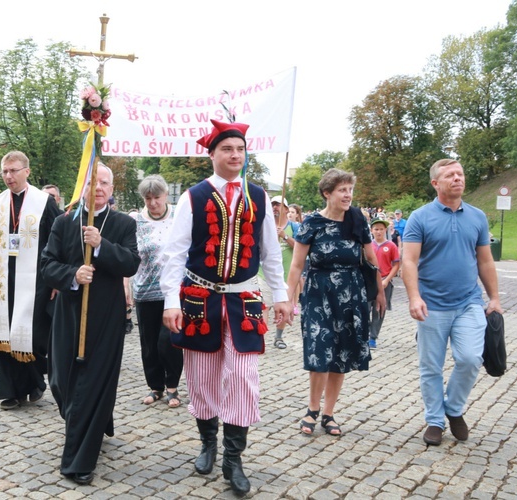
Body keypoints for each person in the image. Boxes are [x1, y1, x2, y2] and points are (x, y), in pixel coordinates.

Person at [161, 119, 291, 496]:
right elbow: (175, 254)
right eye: (227, 149)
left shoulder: (259, 197)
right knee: (201, 380)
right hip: (199, 300)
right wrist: (171, 302)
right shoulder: (193, 197)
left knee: (244, 379)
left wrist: (280, 294)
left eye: (240, 149)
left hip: (244, 300)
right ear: (212, 155)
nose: (235, 155)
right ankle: (207, 443)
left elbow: (270, 253)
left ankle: (233, 459)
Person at [41, 164, 140, 485]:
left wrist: (100, 245)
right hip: (68, 313)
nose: (98, 187)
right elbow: (46, 265)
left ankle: (79, 461)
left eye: (105, 182)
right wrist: (72, 275)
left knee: (91, 383)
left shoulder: (123, 223)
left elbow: (131, 262)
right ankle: (94, 418)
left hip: (106, 318)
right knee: (60, 380)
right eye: (93, 181)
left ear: (112, 189)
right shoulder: (62, 222)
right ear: (82, 184)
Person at [402, 159, 502, 446]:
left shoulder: (477, 217)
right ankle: (435, 420)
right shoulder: (420, 217)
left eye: (460, 173)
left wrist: (494, 297)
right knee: (431, 367)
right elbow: (408, 260)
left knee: (471, 358)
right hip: (431, 304)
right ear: (436, 183)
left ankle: (454, 409)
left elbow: (485, 260)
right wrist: (414, 297)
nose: (457, 178)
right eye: (450, 175)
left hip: (469, 301)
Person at [286, 168, 386, 437]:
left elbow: (370, 259)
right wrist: (287, 298)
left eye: (350, 190)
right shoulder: (311, 224)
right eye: (342, 190)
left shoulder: (357, 220)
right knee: (319, 350)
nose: (348, 195)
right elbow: (296, 266)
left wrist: (379, 291)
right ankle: (312, 408)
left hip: (351, 294)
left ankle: (329, 413)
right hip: (318, 294)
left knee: (341, 353)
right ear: (327, 193)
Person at [0, 151, 60, 409]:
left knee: (31, 335)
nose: (8, 176)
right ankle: (10, 391)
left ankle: (34, 382)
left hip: (36, 281)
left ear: (27, 172)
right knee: (4, 334)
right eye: (5, 172)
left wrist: (57, 279)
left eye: (13, 171)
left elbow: (58, 243)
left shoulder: (44, 202)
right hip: (3, 280)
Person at [127, 174, 184, 407]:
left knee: (168, 340)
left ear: (165, 196)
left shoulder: (179, 217)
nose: (152, 203)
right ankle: (155, 386)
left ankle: (173, 386)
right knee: (149, 343)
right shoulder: (135, 221)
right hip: (144, 290)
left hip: (172, 291)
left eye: (157, 198)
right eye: (148, 198)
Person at [264, 195, 294, 349]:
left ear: (287, 209)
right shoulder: (264, 225)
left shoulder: (295, 227)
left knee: (283, 305)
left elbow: (299, 248)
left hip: (286, 273)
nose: (275, 207)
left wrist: (284, 235)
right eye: (273, 204)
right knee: (264, 306)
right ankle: (260, 338)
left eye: (278, 204)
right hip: (263, 273)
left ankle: (278, 337)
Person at [368, 218, 400, 349]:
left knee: (379, 309)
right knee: (364, 308)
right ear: (371, 230)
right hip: (369, 281)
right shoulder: (368, 245)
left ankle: (373, 337)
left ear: (385, 230)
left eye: (381, 229)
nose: (379, 232)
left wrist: (387, 280)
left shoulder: (391, 246)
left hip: (385, 280)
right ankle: (365, 331)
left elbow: (396, 264)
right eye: (376, 229)